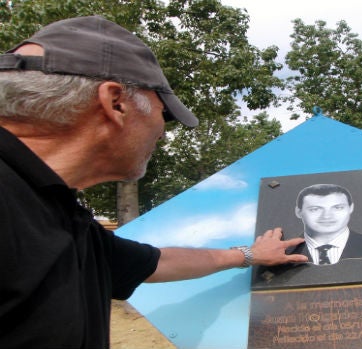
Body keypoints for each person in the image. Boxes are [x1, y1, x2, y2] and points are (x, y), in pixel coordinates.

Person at [0, 16, 307, 349]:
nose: (162, 132)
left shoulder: (58, 210)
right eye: (163, 113)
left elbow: (157, 262)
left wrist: (249, 255)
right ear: (115, 103)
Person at [291, 183, 362, 265]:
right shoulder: (286, 251)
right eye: (315, 209)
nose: (327, 216)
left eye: (337, 208)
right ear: (298, 212)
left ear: (351, 208)